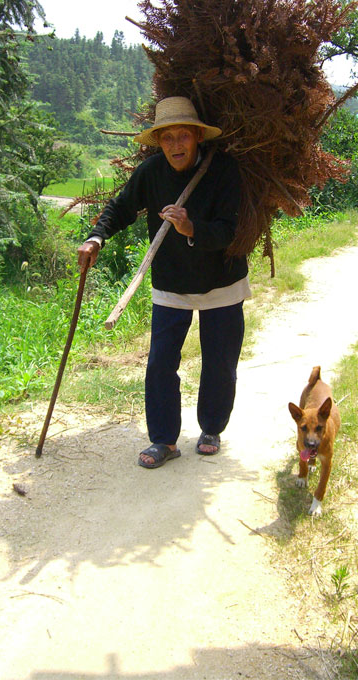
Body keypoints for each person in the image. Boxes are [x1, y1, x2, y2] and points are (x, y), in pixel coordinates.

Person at [77, 96, 251, 468]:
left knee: (220, 361)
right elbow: (121, 206)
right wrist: (97, 237)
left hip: (222, 281)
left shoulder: (224, 171)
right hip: (171, 281)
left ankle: (211, 428)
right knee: (159, 363)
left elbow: (228, 230)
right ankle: (164, 440)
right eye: (167, 138)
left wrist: (190, 227)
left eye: (183, 136)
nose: (175, 145)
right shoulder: (152, 172)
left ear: (197, 137)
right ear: (158, 143)